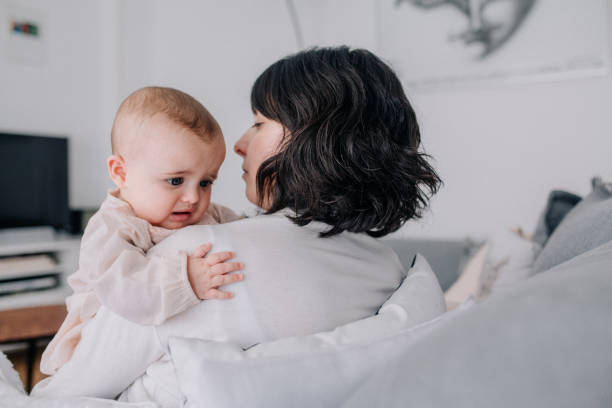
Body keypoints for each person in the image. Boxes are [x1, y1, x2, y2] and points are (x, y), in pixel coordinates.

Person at [32, 46, 443, 403]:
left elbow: (68, 389)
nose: (240, 144)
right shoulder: (387, 269)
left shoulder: (202, 258)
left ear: (309, 139)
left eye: (260, 122)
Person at [40, 87, 244, 375]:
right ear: (121, 173)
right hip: (97, 347)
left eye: (205, 182)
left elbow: (246, 231)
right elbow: (125, 288)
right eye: (175, 181)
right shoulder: (113, 226)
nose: (193, 197)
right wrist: (185, 277)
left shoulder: (209, 214)